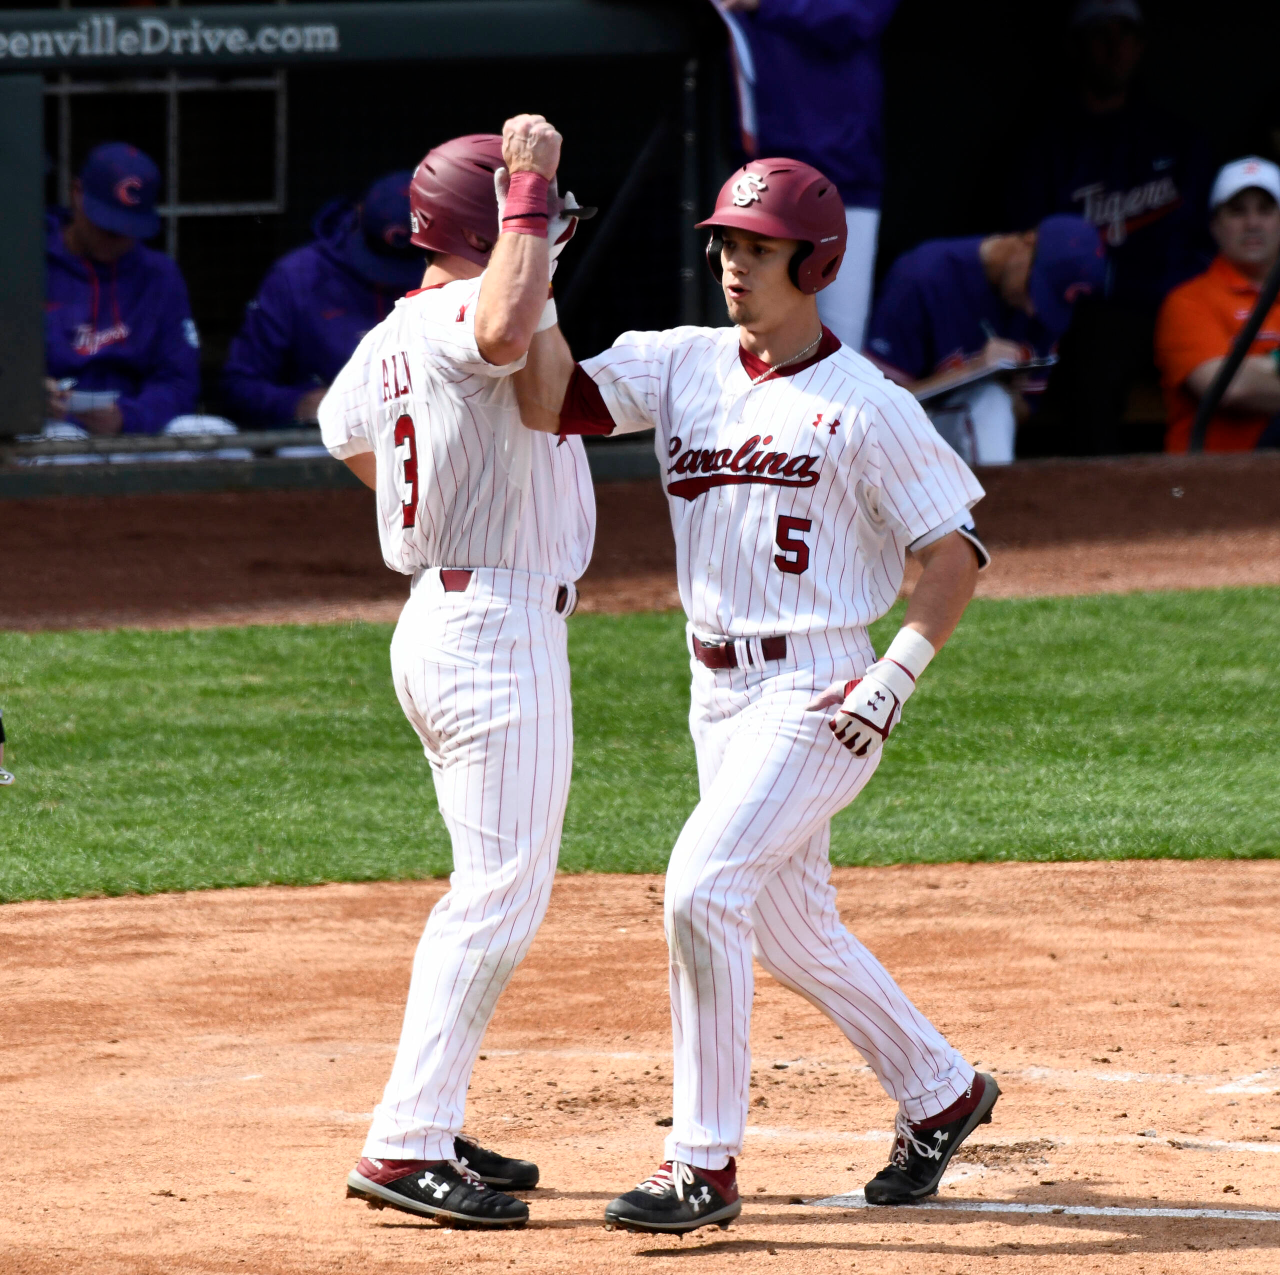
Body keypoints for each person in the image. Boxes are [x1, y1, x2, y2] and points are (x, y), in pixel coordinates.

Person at [515, 157, 1001, 1234]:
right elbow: (548, 395)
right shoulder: (679, 363)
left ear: (812, 259)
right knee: (789, 929)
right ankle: (941, 1092)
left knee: (700, 887)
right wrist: (534, 262)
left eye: (758, 247)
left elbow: (952, 551)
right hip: (715, 688)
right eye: (727, 245)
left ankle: (702, 1164)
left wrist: (894, 675)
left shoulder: (866, 404)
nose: (735, 264)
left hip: (823, 683)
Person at [319, 118, 593, 1230]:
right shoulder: (462, 318)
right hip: (490, 631)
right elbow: (500, 323)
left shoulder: (393, 333)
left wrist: (439, 490)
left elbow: (347, 434)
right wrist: (530, 187)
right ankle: (403, 1143)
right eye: (534, 217)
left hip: (446, 618)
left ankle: (432, 1112)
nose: (554, 228)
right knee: (495, 896)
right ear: (496, 227)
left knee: (487, 887)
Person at [1008, 0, 1214, 453]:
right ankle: (1099, 509)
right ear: (1075, 47)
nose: (1114, 48)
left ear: (1140, 46)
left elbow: (1205, 241)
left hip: (1173, 304)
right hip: (1090, 316)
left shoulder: (1176, 138)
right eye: (1101, 35)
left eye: (1125, 35)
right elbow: (1026, 250)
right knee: (1095, 351)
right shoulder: (1045, 143)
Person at [713, 0, 901, 349]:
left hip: (840, 172)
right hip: (754, 176)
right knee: (750, 345)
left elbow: (857, 17)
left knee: (836, 349)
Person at [864, 215, 1106, 464]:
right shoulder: (922, 276)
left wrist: (1009, 390)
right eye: (1037, 289)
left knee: (994, 402)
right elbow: (873, 409)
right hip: (896, 447)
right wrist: (972, 370)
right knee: (991, 402)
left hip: (965, 443)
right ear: (1027, 242)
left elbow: (1021, 410)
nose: (1034, 309)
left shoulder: (1045, 315)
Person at [222, 171, 424, 428]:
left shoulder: (464, 273)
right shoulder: (297, 276)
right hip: (325, 437)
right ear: (358, 214)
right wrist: (298, 404)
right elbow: (238, 386)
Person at [45, 142, 200, 436]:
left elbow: (180, 381)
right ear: (76, 194)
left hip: (135, 430)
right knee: (60, 443)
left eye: (127, 229)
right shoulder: (27, 266)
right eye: (107, 226)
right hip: (54, 428)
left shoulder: (159, 275)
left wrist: (128, 417)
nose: (115, 239)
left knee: (211, 435)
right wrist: (28, 394)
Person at [1154, 157, 1280, 452]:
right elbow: (1227, 386)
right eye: (1237, 211)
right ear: (1214, 225)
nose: (1252, 223)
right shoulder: (1187, 300)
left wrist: (1260, 368)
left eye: (1265, 210)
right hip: (1212, 481)